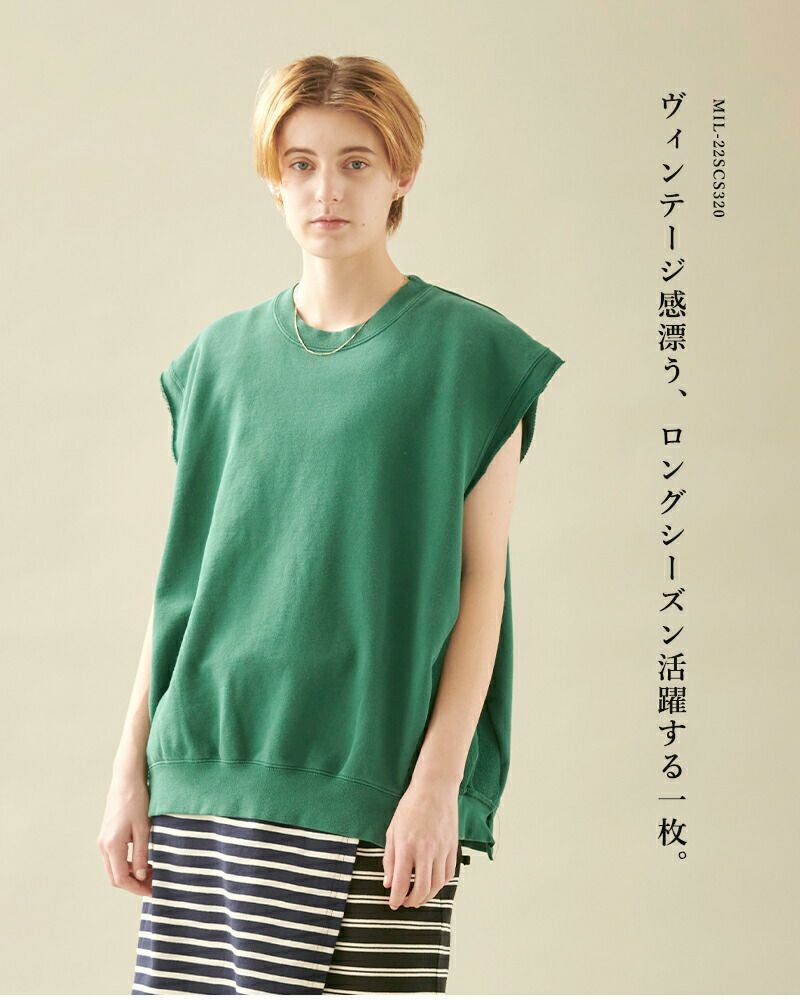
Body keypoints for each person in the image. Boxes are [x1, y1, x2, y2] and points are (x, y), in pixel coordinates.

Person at [97, 54, 565, 995]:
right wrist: (128, 772)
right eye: (301, 164)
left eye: (357, 162)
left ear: (402, 174)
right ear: (274, 180)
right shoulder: (217, 362)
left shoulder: (470, 356)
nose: (327, 190)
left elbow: (482, 583)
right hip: (204, 778)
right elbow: (184, 586)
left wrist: (437, 784)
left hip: (371, 786)